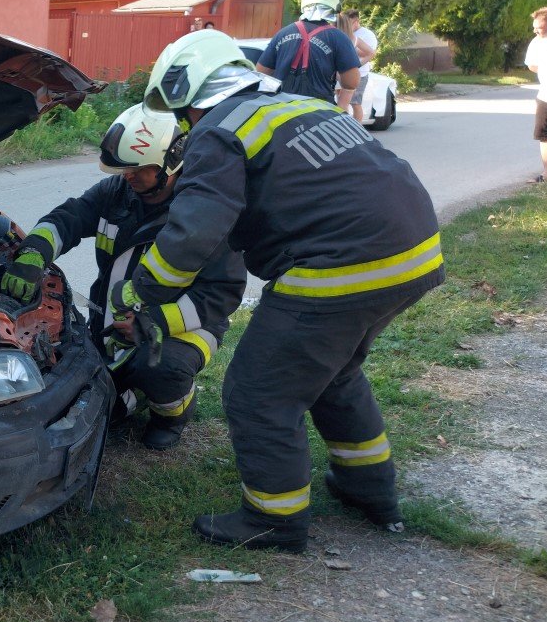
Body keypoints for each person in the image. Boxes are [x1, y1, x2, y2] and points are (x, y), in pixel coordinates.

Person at [112, 30, 443, 552]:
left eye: (181, 114)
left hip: (341, 265)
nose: (183, 125)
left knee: (258, 391)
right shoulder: (296, 105)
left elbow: (196, 231)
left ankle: (274, 520)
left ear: (188, 96)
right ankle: (369, 490)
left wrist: (146, 285)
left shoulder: (218, 130)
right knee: (334, 373)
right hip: (415, 251)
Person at [1, 105, 246, 451]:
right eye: (123, 169)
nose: (126, 176)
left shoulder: (205, 212)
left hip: (185, 327)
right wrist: (33, 252)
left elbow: (221, 294)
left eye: (136, 169)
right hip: (112, 322)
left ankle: (173, 413)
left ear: (169, 162)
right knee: (88, 398)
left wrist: (154, 323)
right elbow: (69, 217)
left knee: (161, 368)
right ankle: (129, 392)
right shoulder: (118, 193)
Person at [256, 0, 361, 109]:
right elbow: (351, 83)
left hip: (281, 111)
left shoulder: (282, 33)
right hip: (318, 114)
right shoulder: (339, 38)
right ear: (337, 3)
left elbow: (260, 72)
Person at [525, 7, 547, 183]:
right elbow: (532, 65)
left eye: (539, 27)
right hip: (546, 96)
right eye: (534, 27)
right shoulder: (537, 42)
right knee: (546, 136)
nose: (535, 31)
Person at [346, 9, 378, 124]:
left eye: (349, 23)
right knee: (342, 101)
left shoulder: (367, 35)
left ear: (356, 21)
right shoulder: (346, 33)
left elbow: (368, 53)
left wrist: (351, 46)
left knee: (355, 103)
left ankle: (357, 129)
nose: (347, 26)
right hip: (344, 72)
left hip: (360, 73)